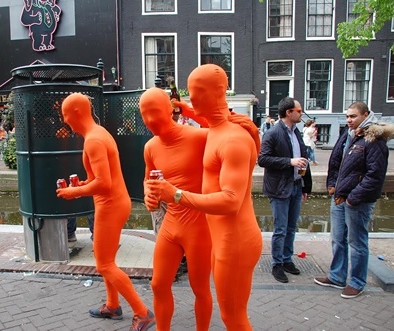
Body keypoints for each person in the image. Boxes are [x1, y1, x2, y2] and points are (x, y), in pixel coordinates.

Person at [146, 64, 262, 330]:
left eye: (197, 91)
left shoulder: (231, 139)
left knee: (233, 318)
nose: (192, 97)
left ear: (220, 91)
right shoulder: (219, 130)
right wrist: (186, 109)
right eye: (190, 92)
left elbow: (231, 200)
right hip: (223, 239)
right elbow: (213, 122)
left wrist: (175, 194)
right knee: (230, 315)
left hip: (235, 242)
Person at [56, 93, 155, 331]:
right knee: (107, 260)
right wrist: (82, 184)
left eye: (65, 113)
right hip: (112, 203)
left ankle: (143, 313)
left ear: (77, 113)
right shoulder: (98, 134)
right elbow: (97, 178)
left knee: (104, 265)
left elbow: (104, 183)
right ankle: (112, 305)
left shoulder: (93, 140)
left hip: (111, 205)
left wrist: (74, 193)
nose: (63, 119)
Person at [139, 87, 212, 331]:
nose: (149, 120)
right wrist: (149, 196)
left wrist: (190, 109)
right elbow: (149, 180)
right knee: (158, 284)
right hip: (171, 224)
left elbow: (234, 132)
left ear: (170, 109)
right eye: (144, 114)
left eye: (155, 112)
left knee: (200, 288)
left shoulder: (199, 138)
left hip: (199, 225)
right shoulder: (150, 146)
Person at [314, 102, 392, 299]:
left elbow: (375, 176)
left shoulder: (374, 139)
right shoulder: (348, 134)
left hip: (357, 200)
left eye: (353, 116)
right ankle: (337, 276)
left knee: (357, 242)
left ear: (365, 115)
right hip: (339, 197)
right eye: (347, 116)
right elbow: (335, 163)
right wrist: (332, 185)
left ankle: (357, 282)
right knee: (338, 238)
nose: (349, 120)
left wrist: (353, 198)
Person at [258, 97, 313, 284]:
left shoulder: (296, 133)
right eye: (299, 110)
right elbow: (263, 159)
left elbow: (303, 159)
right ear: (289, 112)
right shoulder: (273, 133)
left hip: (296, 186)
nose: (301, 113)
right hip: (279, 188)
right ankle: (277, 264)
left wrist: (306, 186)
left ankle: (287, 259)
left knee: (291, 227)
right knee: (280, 229)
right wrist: (289, 162)